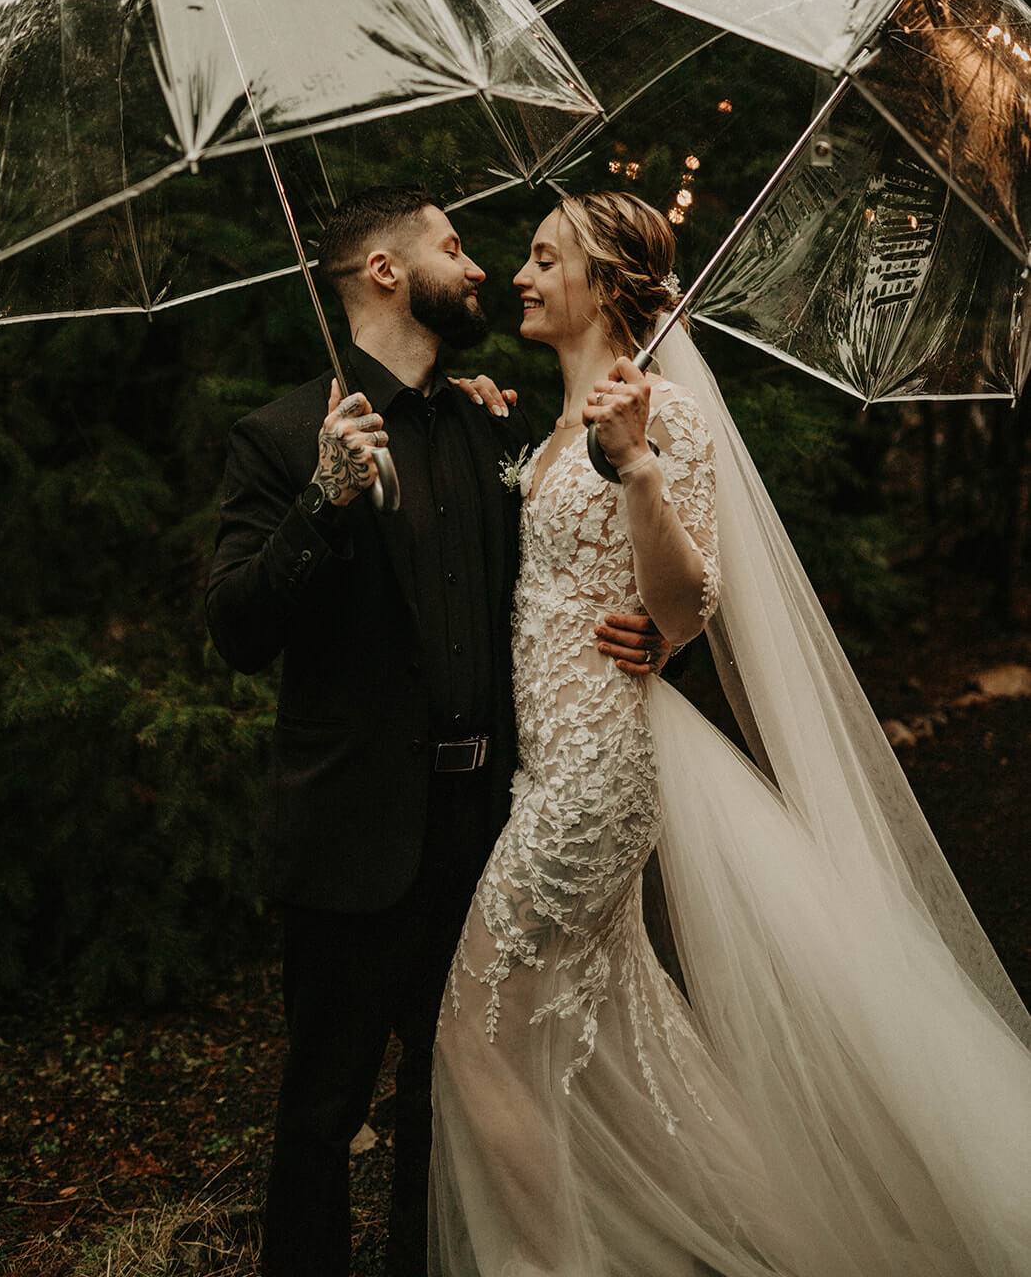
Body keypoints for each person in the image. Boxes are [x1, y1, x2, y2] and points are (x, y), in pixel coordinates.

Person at [429, 189, 1031, 1277]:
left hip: (591, 779)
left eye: (542, 256)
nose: (519, 274)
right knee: (616, 1043)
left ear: (605, 284)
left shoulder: (660, 411)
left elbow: (682, 605)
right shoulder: (559, 414)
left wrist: (642, 469)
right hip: (546, 769)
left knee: (474, 1037)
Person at [205, 185, 665, 1277]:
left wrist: (653, 624)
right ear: (382, 272)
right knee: (320, 1110)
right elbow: (233, 628)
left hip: (481, 831)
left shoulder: (490, 419)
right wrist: (322, 499)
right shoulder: (279, 438)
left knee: (445, 1097)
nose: (478, 268)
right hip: (349, 840)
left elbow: (572, 563)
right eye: (451, 248)